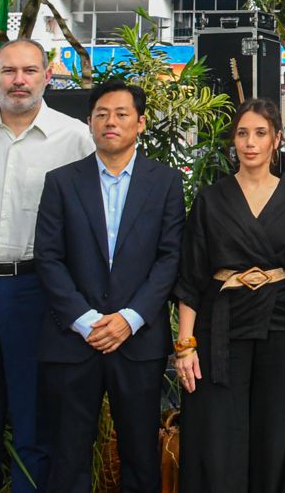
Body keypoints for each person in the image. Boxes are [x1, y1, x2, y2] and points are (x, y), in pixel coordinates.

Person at [0, 37, 93, 493]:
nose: (19, 80)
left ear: (48, 75)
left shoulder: (75, 138)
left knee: (36, 418)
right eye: (9, 71)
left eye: (29, 70)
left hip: (39, 292)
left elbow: (87, 223)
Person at [34, 79, 185, 493]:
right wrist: (85, 321)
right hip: (72, 339)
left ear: (141, 122)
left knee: (139, 454)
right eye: (101, 114)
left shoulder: (166, 182)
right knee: (68, 454)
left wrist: (129, 319)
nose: (110, 122)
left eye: (121, 114)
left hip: (137, 342)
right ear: (89, 123)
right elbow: (48, 257)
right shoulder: (62, 181)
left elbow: (170, 257)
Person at [176, 98, 285, 493]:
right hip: (220, 324)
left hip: (284, 324)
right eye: (242, 133)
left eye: (260, 133)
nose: (250, 142)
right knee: (220, 426)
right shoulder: (210, 199)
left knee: (279, 425)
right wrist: (185, 345)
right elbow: (191, 276)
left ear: (277, 139)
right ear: (233, 141)